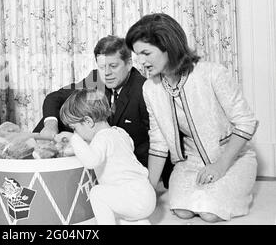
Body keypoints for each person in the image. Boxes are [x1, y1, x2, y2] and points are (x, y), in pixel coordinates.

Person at [125, 13, 258, 223]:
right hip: (190, 162)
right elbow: (159, 142)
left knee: (209, 213)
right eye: (136, 54)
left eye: (146, 53)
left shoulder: (212, 73)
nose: (140, 61)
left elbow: (246, 122)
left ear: (168, 46)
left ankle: (239, 192)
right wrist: (149, 188)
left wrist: (220, 166)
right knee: (182, 211)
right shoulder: (150, 88)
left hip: (231, 158)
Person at [34, 36, 173, 184]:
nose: (106, 73)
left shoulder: (145, 90)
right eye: (102, 67)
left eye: (113, 66)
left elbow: (161, 140)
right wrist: (50, 125)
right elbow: (54, 98)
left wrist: (153, 183)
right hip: (96, 161)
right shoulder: (96, 79)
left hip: (130, 173)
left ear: (129, 64)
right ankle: (35, 164)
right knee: (59, 116)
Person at [55, 89, 156, 225]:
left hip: (134, 197)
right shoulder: (119, 132)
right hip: (145, 195)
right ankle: (140, 222)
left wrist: (74, 139)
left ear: (88, 122)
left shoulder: (101, 138)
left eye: (75, 128)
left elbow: (91, 161)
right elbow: (121, 150)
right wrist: (75, 148)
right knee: (120, 214)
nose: (76, 132)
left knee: (97, 193)